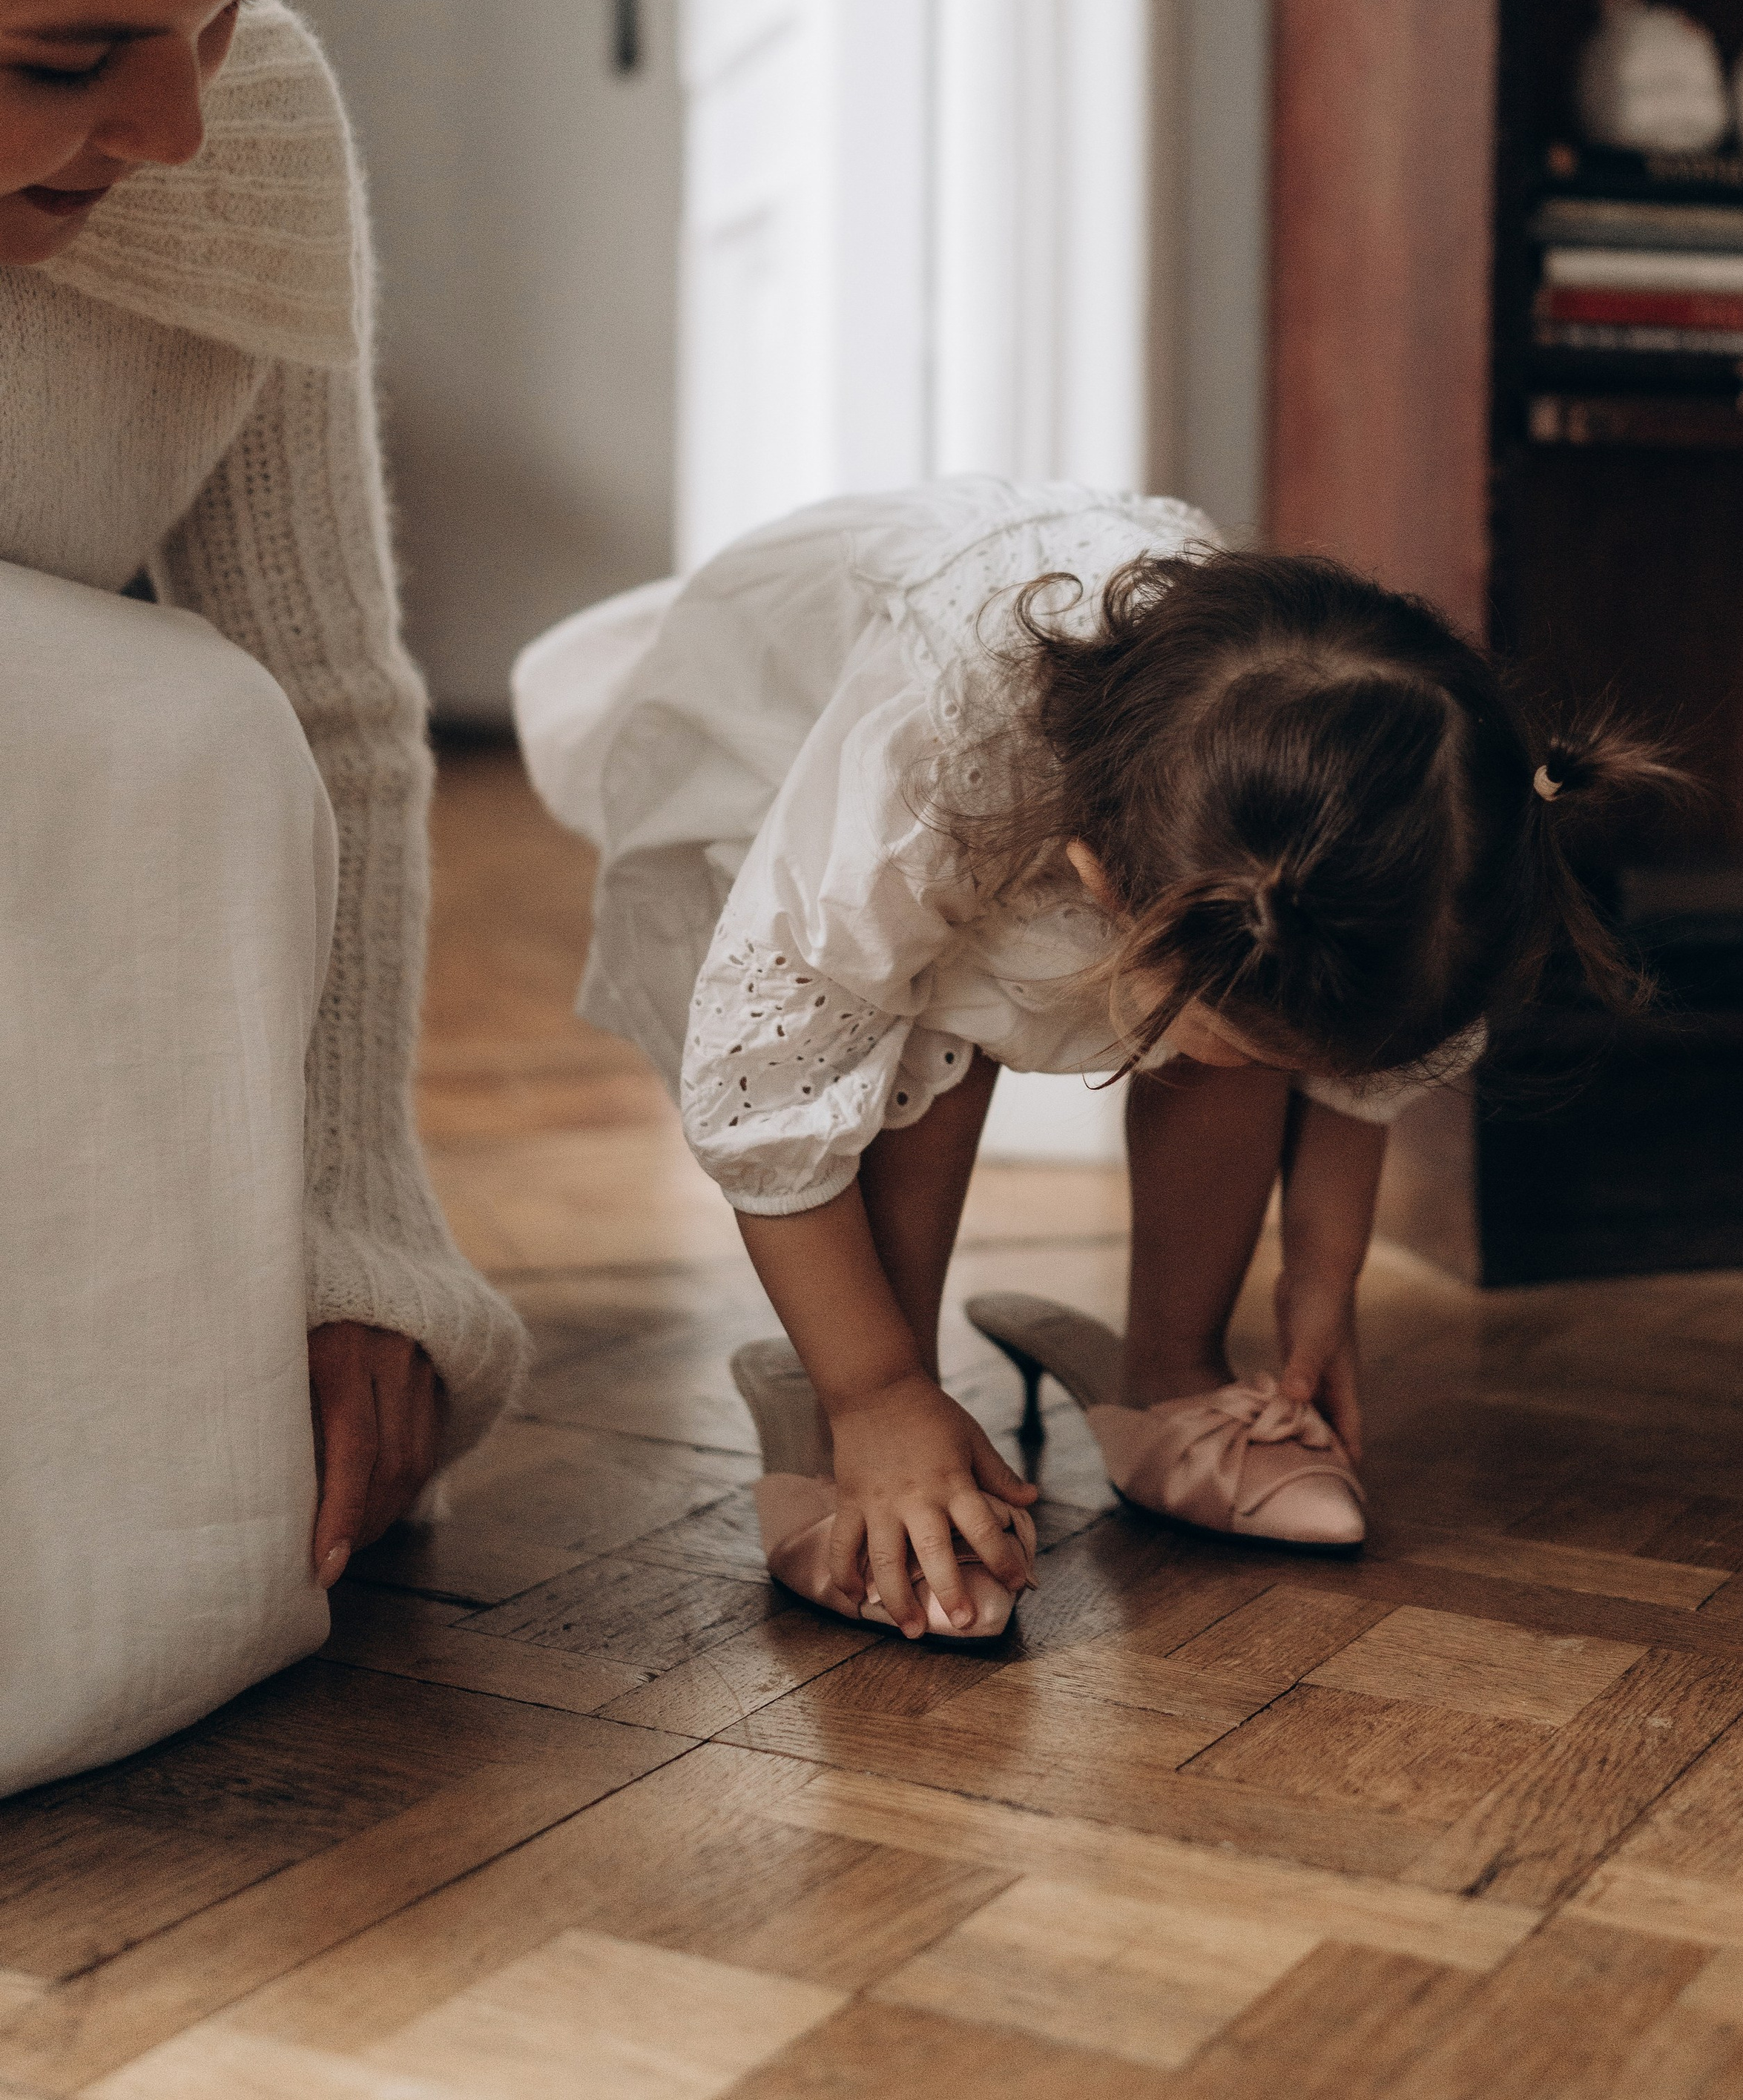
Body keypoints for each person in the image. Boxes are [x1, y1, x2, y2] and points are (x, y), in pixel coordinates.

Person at [515, 475, 1676, 1644]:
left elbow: (1354, 1066)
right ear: (1105, 883)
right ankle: (856, 1408)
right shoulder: (936, 761)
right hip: (787, 713)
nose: (1256, 1068)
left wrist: (1322, 1276)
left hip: (1098, 786)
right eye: (1241, 1042)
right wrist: (876, 1394)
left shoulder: (1360, 819)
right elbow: (778, 1074)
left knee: (1243, 1013)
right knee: (922, 1012)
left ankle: (1173, 1368)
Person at [0, 0, 525, 1793]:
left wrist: (356, 1240)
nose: (186, 119)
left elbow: (324, 703)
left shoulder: (246, 124)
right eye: (69, 54)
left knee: (175, 716)